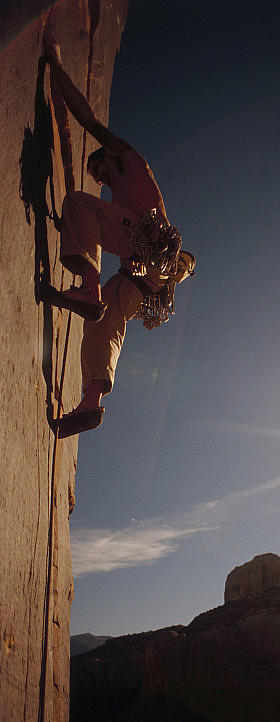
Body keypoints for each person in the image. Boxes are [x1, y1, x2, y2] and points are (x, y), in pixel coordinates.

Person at [43, 31, 195, 438]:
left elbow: (88, 119)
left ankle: (88, 288)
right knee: (105, 321)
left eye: (98, 170)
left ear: (108, 159)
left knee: (77, 203)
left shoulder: (127, 159)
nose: (99, 178)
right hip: (143, 278)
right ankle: (91, 403)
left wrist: (56, 67)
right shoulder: (124, 198)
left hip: (148, 246)